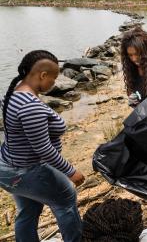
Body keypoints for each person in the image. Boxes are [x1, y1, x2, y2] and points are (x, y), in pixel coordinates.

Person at [0, 50, 85, 242]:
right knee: (66, 200)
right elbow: (43, 149)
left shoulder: (12, 95)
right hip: (26, 170)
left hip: (8, 168)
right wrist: (71, 171)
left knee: (29, 209)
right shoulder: (30, 106)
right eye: (53, 79)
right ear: (42, 75)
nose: (54, 83)